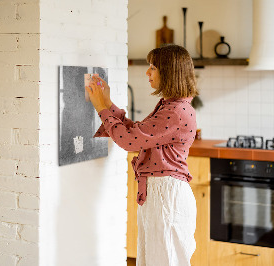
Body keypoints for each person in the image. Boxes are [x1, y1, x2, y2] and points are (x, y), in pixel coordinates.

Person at [86, 44, 198, 266]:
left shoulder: (175, 111)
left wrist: (101, 108)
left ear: (169, 72)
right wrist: (107, 103)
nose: (148, 73)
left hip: (166, 197)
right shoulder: (171, 106)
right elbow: (137, 133)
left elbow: (129, 141)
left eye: (153, 67)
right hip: (161, 195)